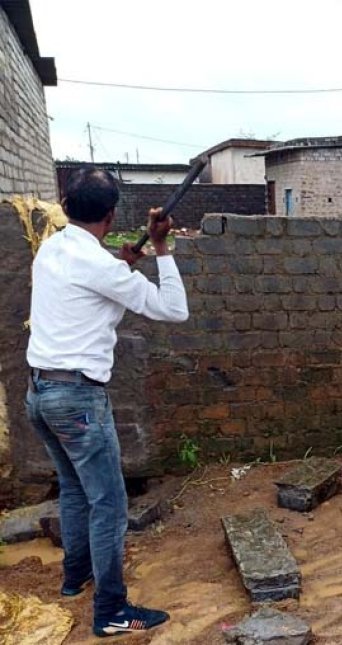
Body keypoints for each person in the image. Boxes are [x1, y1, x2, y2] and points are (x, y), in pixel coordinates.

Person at [25, 167, 189, 637]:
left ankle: (76, 579)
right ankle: (112, 612)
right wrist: (161, 249)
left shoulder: (53, 248)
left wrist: (124, 265)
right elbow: (174, 310)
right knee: (111, 505)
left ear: (65, 204)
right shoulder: (102, 267)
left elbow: (94, 292)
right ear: (112, 213)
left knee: (75, 489)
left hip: (39, 394)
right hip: (76, 400)